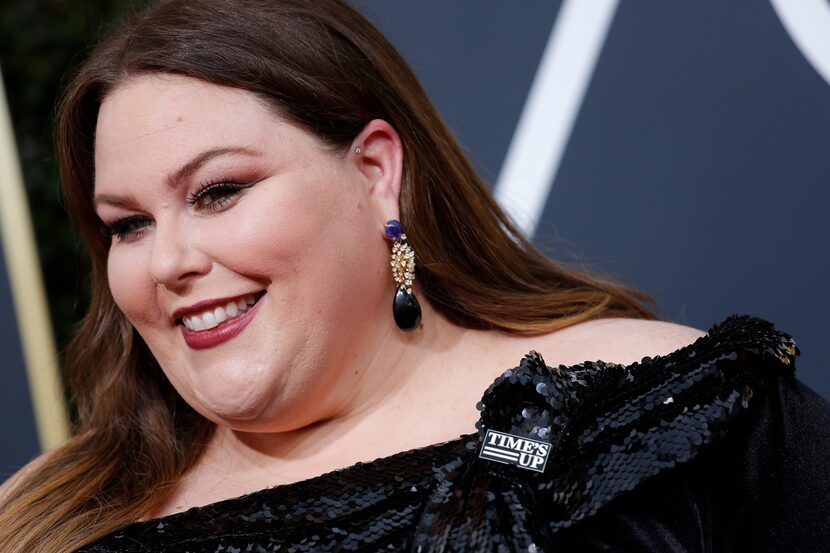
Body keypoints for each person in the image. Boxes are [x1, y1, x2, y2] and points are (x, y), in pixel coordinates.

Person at [1, 0, 828, 551]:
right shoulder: (47, 511)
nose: (169, 262)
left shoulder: (675, 414)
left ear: (373, 171)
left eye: (218, 192)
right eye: (129, 225)